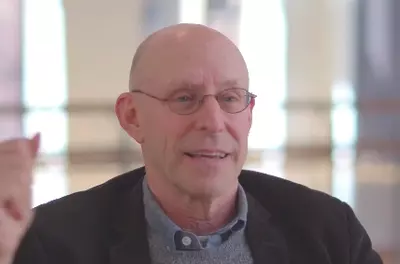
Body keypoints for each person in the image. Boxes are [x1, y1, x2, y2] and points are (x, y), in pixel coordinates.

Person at [0, 23, 382, 264]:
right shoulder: (53, 242)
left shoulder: (330, 232)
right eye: (184, 98)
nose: (213, 122)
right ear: (132, 117)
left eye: (231, 98)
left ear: (248, 115)